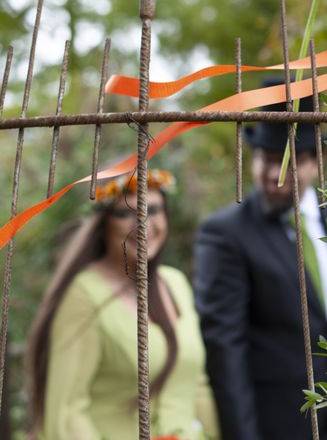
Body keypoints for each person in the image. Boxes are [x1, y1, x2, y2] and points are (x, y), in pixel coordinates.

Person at [194, 86, 327, 440]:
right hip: (276, 426)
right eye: (266, 158)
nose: (274, 174)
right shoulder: (225, 234)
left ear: (315, 162)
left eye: (289, 161)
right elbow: (225, 352)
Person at [26, 169, 219, 440]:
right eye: (126, 213)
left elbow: (196, 386)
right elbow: (67, 412)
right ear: (103, 223)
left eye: (153, 210)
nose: (143, 223)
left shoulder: (175, 284)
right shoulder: (84, 295)